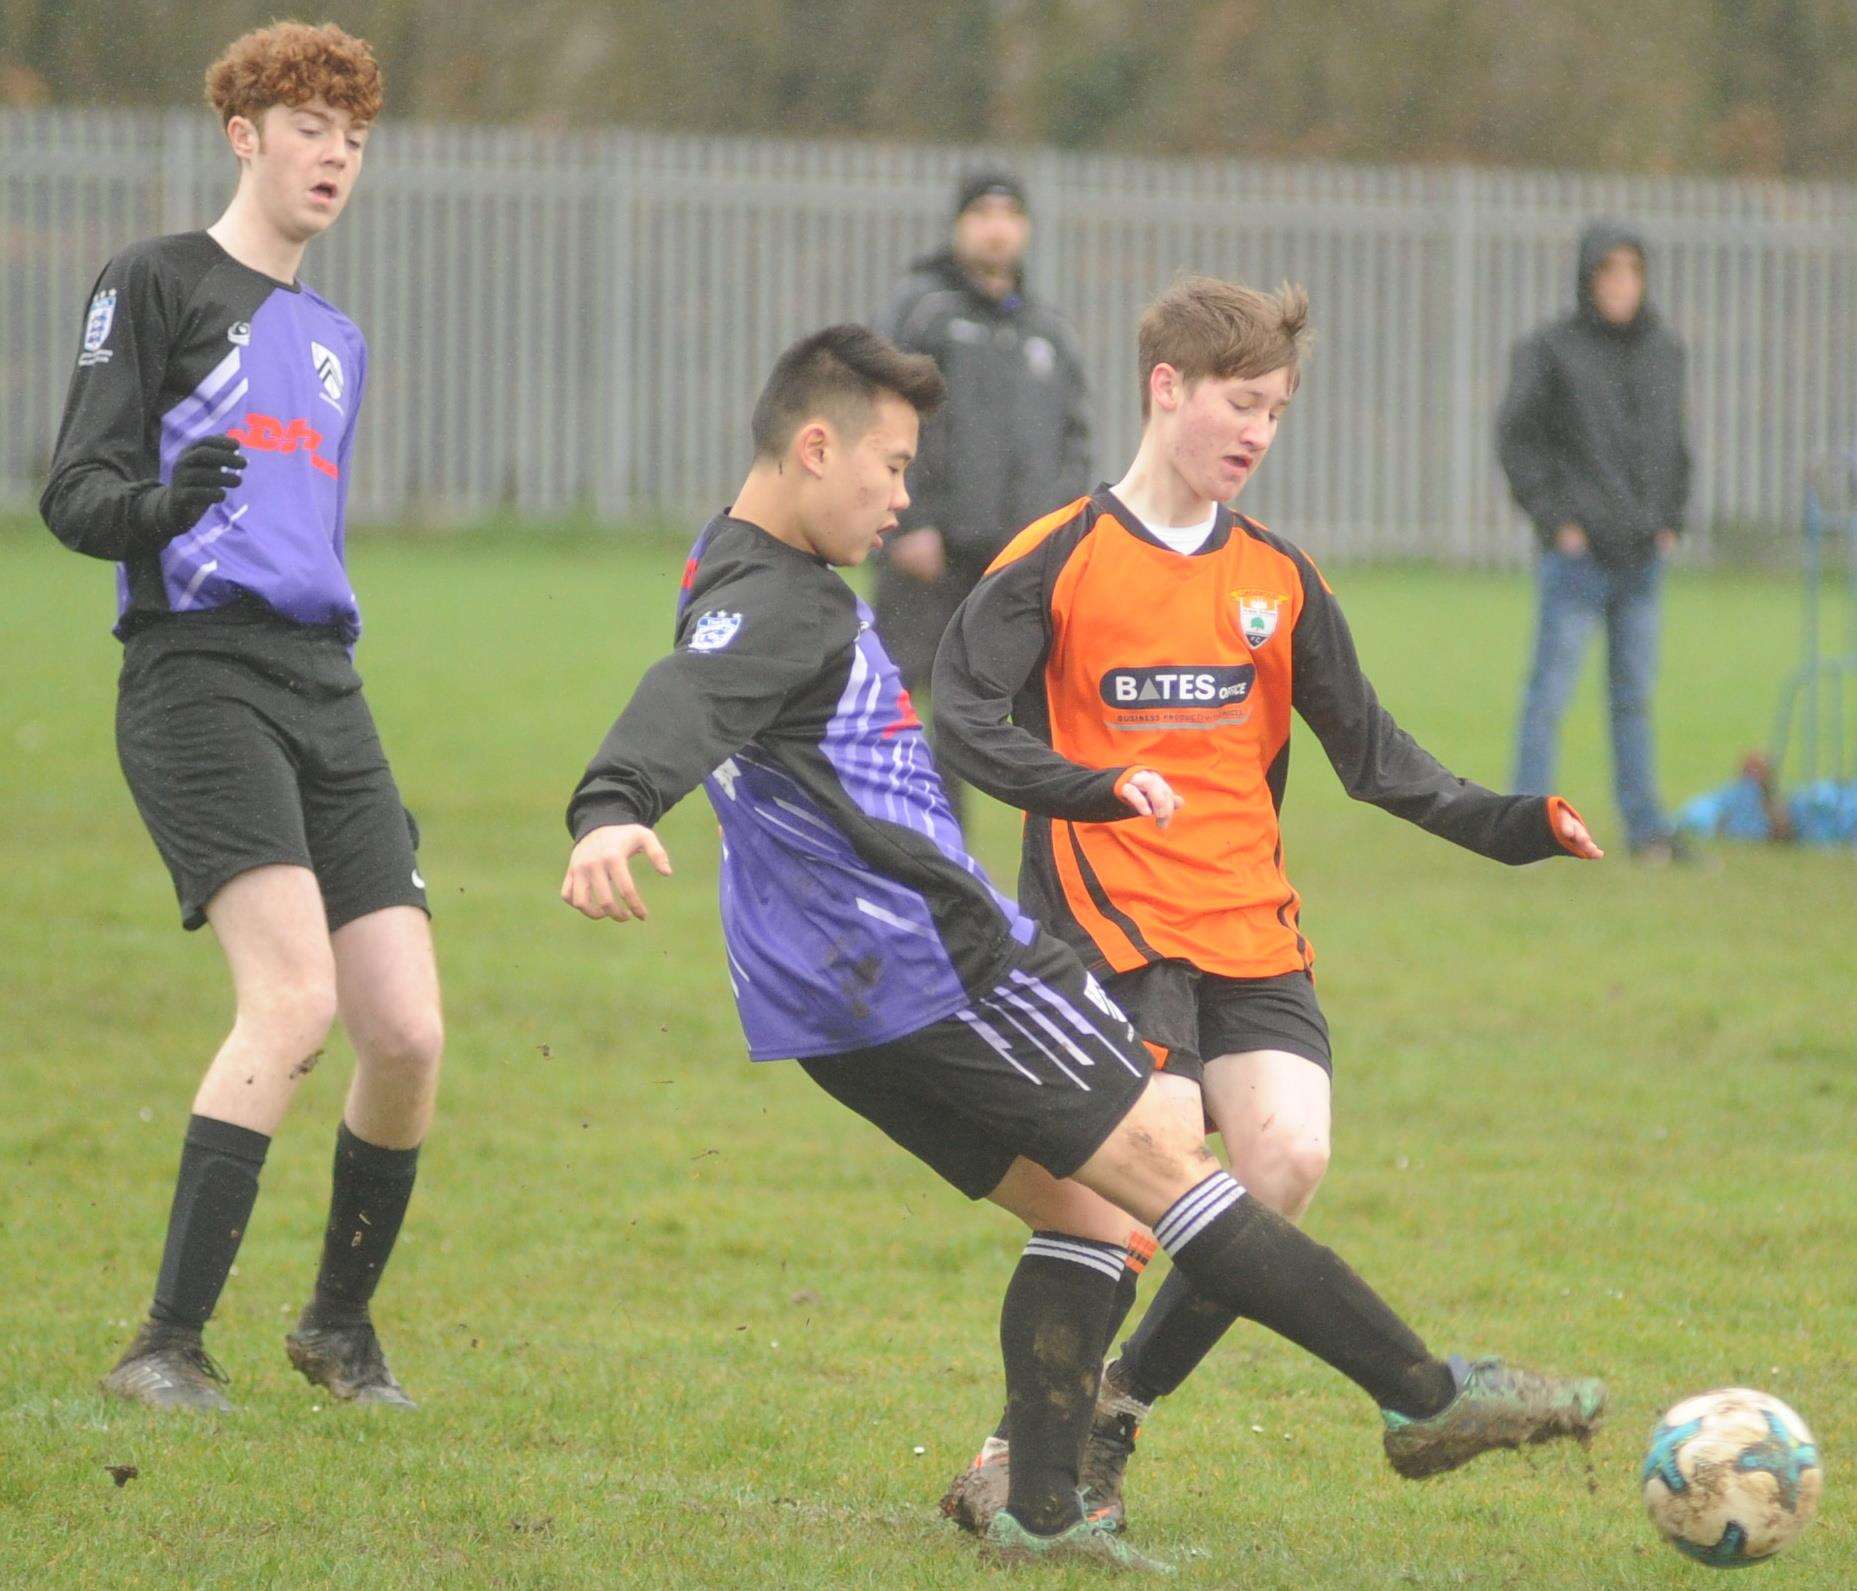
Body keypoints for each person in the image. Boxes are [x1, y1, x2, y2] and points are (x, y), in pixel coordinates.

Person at [562, 323, 1603, 1570]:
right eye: (891, 468)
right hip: (937, 965)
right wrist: (615, 800)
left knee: (1091, 1217)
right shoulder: (789, 606)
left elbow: (709, 677)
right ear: (815, 445)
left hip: (823, 1005)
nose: (904, 499)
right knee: (1170, 1179)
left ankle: (1041, 1512)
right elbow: (691, 696)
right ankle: (1426, 1394)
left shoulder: (726, 563)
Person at [929, 276, 1603, 1533]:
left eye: (1277, 413)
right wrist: (1088, 788)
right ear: (1166, 388)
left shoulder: (1278, 580)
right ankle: (1022, 1463)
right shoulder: (1060, 554)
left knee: (1289, 1154)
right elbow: (959, 715)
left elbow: (1375, 757)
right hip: (1112, 923)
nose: (1257, 432)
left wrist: (1515, 828)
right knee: (1158, 1161)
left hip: (1251, 927)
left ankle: (1113, 1412)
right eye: (1240, 403)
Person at [41, 22, 440, 1411]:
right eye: (310, 122)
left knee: (407, 1031)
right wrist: (166, 501)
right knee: (294, 995)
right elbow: (75, 498)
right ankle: (165, 1342)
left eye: (354, 132)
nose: (335, 152)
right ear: (244, 134)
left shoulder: (337, 341)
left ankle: (336, 1327)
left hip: (324, 686)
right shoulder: (153, 283)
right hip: (196, 675)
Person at [872, 170, 1094, 825]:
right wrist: (906, 519)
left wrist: (1060, 531)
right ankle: (898, 838)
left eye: (1009, 215)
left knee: (1007, 710)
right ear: (958, 225)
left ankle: (984, 853)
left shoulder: (1046, 331)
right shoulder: (921, 313)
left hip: (1014, 562)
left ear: (1024, 229)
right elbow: (880, 415)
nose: (996, 227)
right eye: (981, 213)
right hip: (929, 554)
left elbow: (1074, 438)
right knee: (899, 701)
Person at [1498, 221, 1693, 862]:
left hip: (1642, 556)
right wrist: (1557, 522)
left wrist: (1671, 517)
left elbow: (1675, 444)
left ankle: (1645, 830)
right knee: (1548, 696)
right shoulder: (1551, 351)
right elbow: (1518, 440)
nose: (1621, 285)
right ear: (1588, 278)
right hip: (1578, 559)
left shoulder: (1664, 350)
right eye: (1608, 271)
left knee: (1634, 698)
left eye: (1632, 271)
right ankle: (1527, 828)